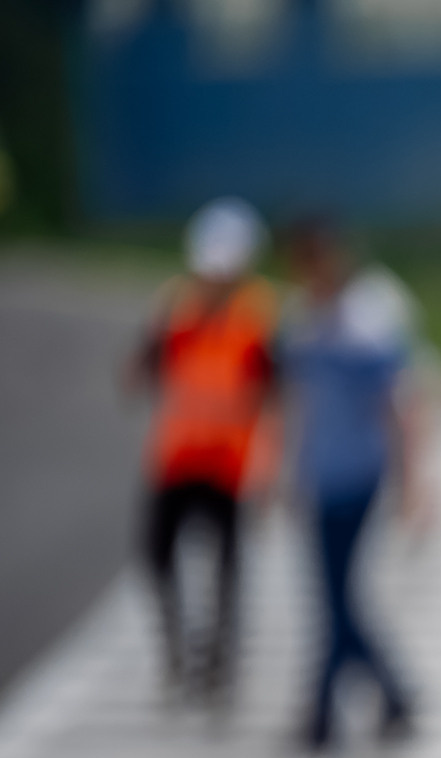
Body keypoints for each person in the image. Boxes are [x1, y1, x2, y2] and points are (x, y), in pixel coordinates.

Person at [276, 218, 426, 750]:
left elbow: (401, 405)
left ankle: (322, 714)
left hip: (361, 472)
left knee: (335, 598)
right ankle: (392, 696)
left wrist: (413, 483)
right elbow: (295, 405)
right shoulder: (298, 319)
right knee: (336, 598)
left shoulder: (369, 317)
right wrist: (285, 470)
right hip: (319, 470)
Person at [131, 198, 278, 699]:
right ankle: (179, 649)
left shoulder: (257, 315)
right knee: (156, 555)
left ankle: (219, 659)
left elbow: (274, 392)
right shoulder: (176, 306)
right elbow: (140, 371)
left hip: (228, 460)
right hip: (176, 454)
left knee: (226, 565)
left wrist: (271, 468)